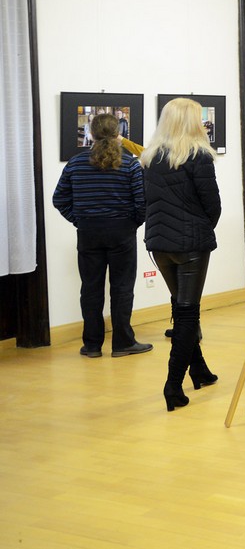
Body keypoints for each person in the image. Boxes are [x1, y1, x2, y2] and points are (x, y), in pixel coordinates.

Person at [141, 97, 221, 412]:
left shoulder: (150, 157)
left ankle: (199, 370)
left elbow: (147, 201)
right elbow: (212, 205)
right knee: (188, 313)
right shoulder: (198, 156)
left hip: (159, 244)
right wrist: (201, 228)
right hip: (190, 245)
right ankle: (173, 385)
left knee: (180, 305)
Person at [53, 112, 152, 359]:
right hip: (121, 231)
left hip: (88, 232)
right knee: (122, 288)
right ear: (118, 133)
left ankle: (92, 345)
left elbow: (59, 199)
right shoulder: (130, 164)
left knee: (90, 289)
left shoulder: (76, 163)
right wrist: (132, 223)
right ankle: (123, 343)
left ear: (91, 134)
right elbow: (142, 202)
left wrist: (79, 220)